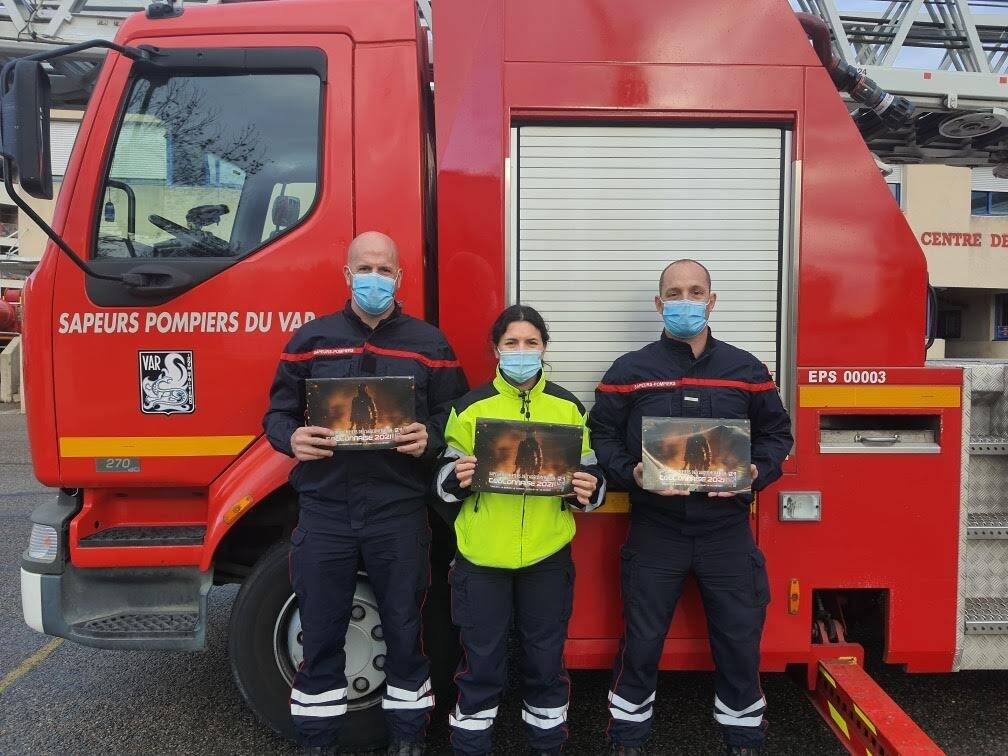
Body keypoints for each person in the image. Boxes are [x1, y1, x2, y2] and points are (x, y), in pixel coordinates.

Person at [263, 231, 469, 756]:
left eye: (384, 268)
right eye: (364, 267)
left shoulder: (431, 345)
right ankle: (317, 742)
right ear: (347, 274)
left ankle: (407, 740)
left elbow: (458, 417)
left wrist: (432, 437)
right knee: (322, 632)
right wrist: (291, 437)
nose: (374, 277)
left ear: (399, 278)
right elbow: (276, 414)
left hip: (398, 514)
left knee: (404, 629)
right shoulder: (310, 340)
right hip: (325, 511)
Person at [589, 260, 793, 756]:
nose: (686, 300)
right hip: (656, 529)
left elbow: (777, 435)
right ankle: (628, 739)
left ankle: (744, 738)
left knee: (740, 642)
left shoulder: (747, 370)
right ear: (659, 304)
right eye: (675, 293)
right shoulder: (629, 371)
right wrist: (630, 472)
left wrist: (754, 471)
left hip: (726, 530)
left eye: (695, 291)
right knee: (640, 643)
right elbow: (602, 434)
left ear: (712, 300)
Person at [434, 305, 607, 756]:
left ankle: (547, 746)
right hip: (481, 558)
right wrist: (456, 479)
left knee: (546, 663)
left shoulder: (568, 407)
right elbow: (441, 480)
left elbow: (590, 477)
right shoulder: (470, 408)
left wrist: (587, 490)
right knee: (481, 665)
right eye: (512, 343)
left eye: (531, 342)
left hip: (547, 557)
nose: (521, 351)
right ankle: (470, 747)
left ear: (544, 348)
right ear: (496, 349)